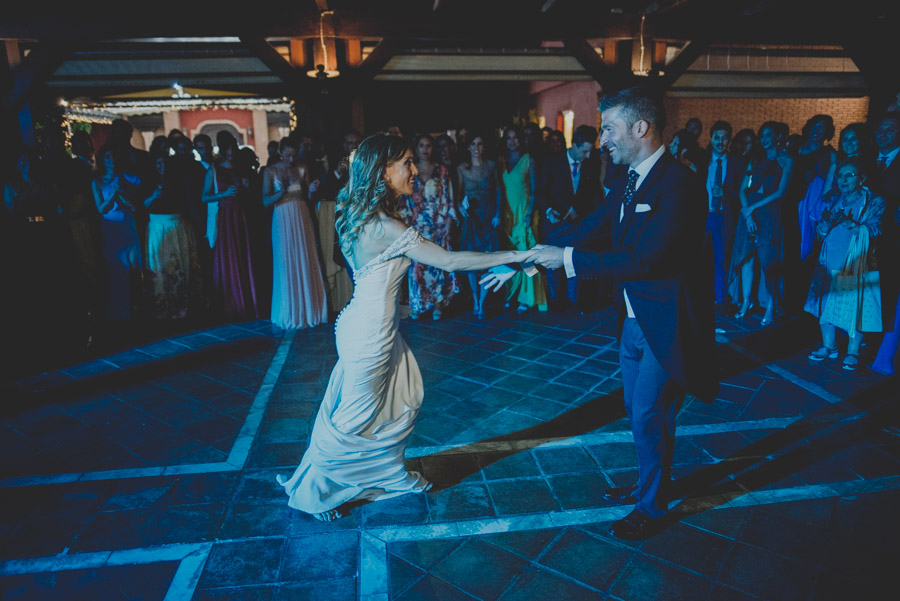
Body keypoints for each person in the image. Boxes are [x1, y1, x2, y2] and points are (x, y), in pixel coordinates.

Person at [276, 133, 538, 521]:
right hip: (370, 334)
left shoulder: (356, 210)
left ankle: (382, 474)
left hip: (359, 323)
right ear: (383, 172)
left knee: (393, 400)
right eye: (407, 163)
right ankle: (316, 495)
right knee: (354, 418)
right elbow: (448, 262)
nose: (415, 170)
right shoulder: (387, 227)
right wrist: (519, 255)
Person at [527, 87, 716, 541]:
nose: (602, 140)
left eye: (608, 128)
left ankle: (652, 506)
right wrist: (532, 251)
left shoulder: (682, 184)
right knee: (636, 409)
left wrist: (568, 261)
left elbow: (647, 259)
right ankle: (646, 482)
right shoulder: (625, 180)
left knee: (649, 412)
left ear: (640, 128)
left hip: (665, 319)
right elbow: (591, 227)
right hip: (631, 319)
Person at [805, 160, 884, 370]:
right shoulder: (835, 199)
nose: (844, 179)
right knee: (825, 305)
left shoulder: (873, 201)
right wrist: (822, 227)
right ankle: (829, 346)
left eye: (850, 175)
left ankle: (852, 352)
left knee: (853, 308)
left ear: (861, 178)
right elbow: (822, 227)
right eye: (840, 175)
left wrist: (855, 226)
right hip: (828, 259)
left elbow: (877, 229)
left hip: (854, 262)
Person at [728, 121, 793, 327]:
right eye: (762, 135)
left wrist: (753, 209)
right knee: (747, 259)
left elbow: (781, 192)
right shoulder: (754, 160)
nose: (765, 139)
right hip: (749, 213)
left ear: (777, 137)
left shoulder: (786, 160)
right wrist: (748, 214)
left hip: (770, 213)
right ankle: (746, 301)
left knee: (768, 262)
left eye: (769, 135)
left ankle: (771, 306)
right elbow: (742, 190)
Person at [535, 124, 606, 311]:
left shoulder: (592, 163)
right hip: (556, 220)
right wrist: (550, 210)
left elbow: (594, 194)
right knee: (552, 261)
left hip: (579, 222)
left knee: (574, 258)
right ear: (574, 145)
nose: (587, 156)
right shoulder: (552, 161)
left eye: (590, 151)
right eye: (584, 151)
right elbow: (541, 192)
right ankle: (555, 298)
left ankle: (574, 298)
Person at [262, 137, 328, 330]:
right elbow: (265, 200)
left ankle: (309, 309)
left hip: (301, 216)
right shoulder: (270, 171)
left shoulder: (302, 169)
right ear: (280, 152)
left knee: (305, 258)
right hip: (282, 218)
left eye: (294, 155)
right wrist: (280, 192)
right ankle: (289, 310)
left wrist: (313, 190)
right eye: (287, 155)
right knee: (286, 260)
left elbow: (307, 196)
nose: (291, 159)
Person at [399, 134, 458, 320]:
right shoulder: (409, 170)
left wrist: (449, 221)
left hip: (438, 224)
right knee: (417, 267)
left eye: (429, 146)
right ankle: (418, 303)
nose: (425, 149)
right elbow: (403, 199)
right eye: (422, 145)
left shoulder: (442, 170)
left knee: (438, 264)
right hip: (416, 225)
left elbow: (449, 198)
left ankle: (439, 304)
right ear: (416, 149)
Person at [202, 132, 260, 320]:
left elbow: (250, 194)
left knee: (243, 256)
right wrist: (224, 194)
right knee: (228, 257)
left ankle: (247, 303)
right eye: (227, 150)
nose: (230, 153)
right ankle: (231, 306)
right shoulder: (214, 170)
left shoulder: (239, 168)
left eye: (232, 149)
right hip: (225, 216)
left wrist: (246, 186)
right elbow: (204, 196)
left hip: (241, 215)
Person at [142, 152, 202, 320]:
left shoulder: (177, 181)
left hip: (175, 225)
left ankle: (182, 307)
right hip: (156, 226)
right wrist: (154, 195)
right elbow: (143, 205)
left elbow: (185, 203)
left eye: (164, 162)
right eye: (158, 162)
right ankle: (162, 308)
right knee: (159, 269)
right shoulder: (148, 182)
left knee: (178, 266)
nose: (162, 166)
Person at [91, 145, 144, 321]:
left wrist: (122, 196)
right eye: (107, 157)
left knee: (134, 265)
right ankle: (120, 313)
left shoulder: (128, 178)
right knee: (115, 269)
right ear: (103, 160)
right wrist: (113, 194)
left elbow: (135, 206)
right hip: (110, 227)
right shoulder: (97, 182)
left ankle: (138, 306)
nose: (111, 160)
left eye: (114, 156)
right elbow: (101, 209)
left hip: (127, 225)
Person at [500, 125, 547, 314]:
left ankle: (528, 298)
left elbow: (535, 190)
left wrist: (528, 216)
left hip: (524, 215)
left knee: (526, 256)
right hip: (508, 215)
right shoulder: (502, 161)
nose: (512, 142)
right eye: (509, 138)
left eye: (516, 138)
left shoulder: (529, 160)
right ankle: (512, 293)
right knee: (510, 255)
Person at [457, 132, 501, 319]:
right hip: (472, 218)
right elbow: (457, 194)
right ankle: (475, 299)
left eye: (480, 143)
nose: (477, 147)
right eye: (473, 144)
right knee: (472, 261)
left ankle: (482, 303)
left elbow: (499, 189)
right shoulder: (462, 168)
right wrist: (459, 208)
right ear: (468, 147)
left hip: (488, 215)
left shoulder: (491, 165)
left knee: (488, 259)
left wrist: (498, 213)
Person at [701, 121, 745, 305]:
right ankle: (699, 295)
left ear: (729, 140)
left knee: (721, 258)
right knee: (698, 257)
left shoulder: (737, 163)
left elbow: (742, 191)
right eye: (717, 137)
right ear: (710, 138)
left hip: (723, 217)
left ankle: (720, 298)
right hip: (701, 215)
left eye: (724, 138)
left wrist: (726, 194)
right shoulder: (701, 159)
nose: (720, 141)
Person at [872, 112, 900, 374]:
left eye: (889, 130)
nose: (883, 135)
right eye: (880, 130)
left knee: (891, 290)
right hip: (871, 241)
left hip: (893, 239)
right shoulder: (871, 161)